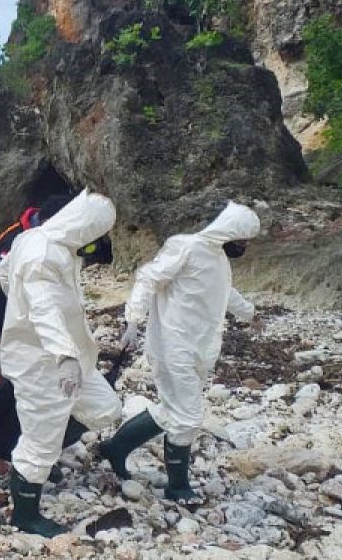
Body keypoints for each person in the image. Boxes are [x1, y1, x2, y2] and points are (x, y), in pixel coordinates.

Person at [99, 202, 261, 504]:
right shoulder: (185, 247)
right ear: (231, 234)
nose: (244, 247)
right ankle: (178, 486)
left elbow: (224, 291)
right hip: (173, 344)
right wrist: (133, 320)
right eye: (243, 241)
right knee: (187, 416)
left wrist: (249, 313)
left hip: (200, 346)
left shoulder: (218, 259)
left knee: (172, 410)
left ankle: (116, 447)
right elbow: (148, 278)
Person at [0, 190, 123, 537]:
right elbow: (44, 309)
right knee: (39, 445)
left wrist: (17, 309)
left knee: (106, 408)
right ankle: (25, 515)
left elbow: (3, 273)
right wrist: (63, 353)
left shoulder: (37, 240)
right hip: (40, 362)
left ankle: (43, 445)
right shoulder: (42, 254)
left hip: (69, 354)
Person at [0, 195, 72, 372]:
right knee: (6, 376)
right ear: (49, 221)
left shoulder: (51, 238)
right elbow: (1, 290)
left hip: (28, 318)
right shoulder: (12, 240)